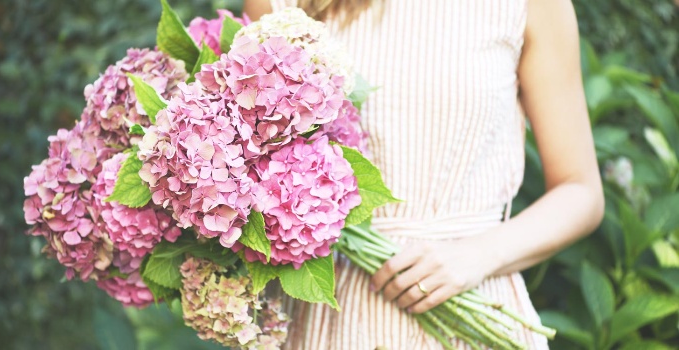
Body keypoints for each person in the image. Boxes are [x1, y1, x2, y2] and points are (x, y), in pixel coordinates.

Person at [243, 0, 604, 348]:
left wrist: (479, 254)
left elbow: (580, 189)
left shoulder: (528, 5)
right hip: (326, 311)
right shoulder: (281, 5)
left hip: (470, 302)